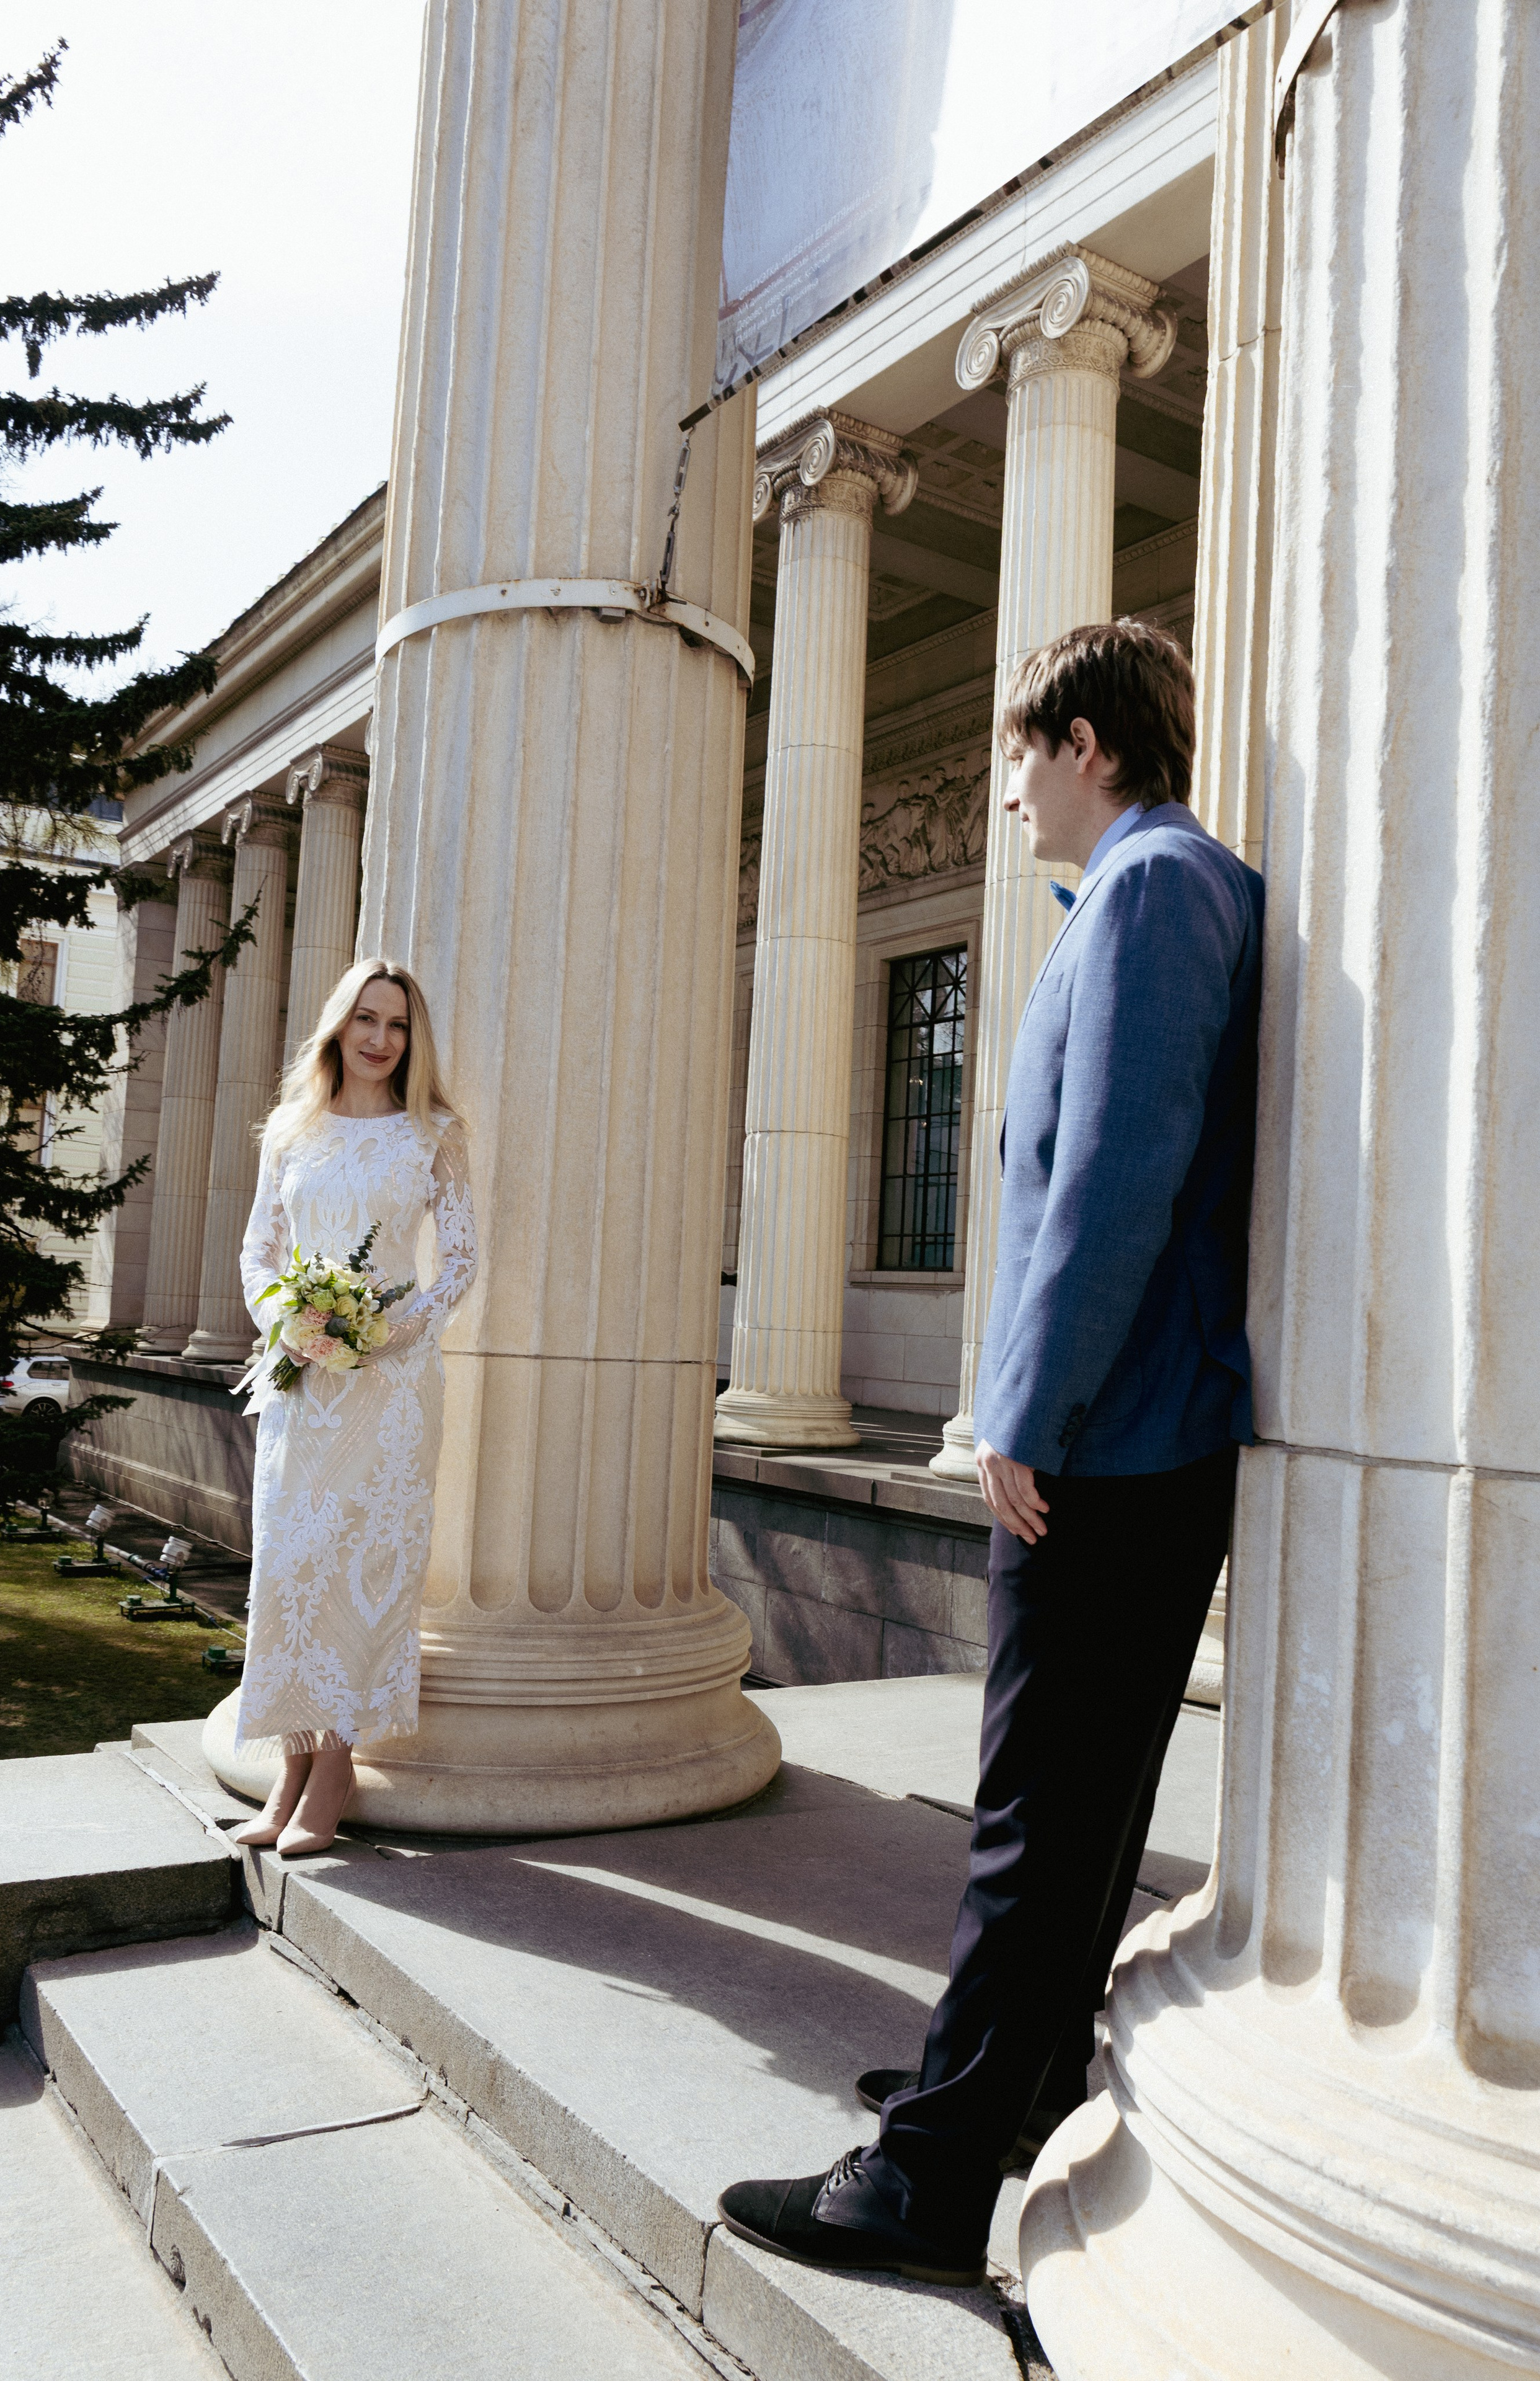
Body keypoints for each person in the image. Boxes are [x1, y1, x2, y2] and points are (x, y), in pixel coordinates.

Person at [717, 618, 1264, 2283]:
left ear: (1085, 744)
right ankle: (1009, 2089)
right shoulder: (1162, 887)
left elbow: (1111, 1181)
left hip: (1110, 1440)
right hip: (1143, 1434)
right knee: (1079, 1809)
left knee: (1033, 1816)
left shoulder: (1155, 888)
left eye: (1018, 755)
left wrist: (1026, 1414)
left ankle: (927, 2186)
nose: (1006, 791)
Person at [231, 958, 477, 1856]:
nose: (380, 1039)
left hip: (392, 1390)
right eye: (366, 1019)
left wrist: (388, 1332)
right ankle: (290, 1765)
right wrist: (289, 1323)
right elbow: (260, 1250)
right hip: (303, 1384)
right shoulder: (291, 1130)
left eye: (398, 1024)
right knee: (293, 1567)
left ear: (415, 1039)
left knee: (362, 1565)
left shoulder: (434, 1134)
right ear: (338, 1024)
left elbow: (459, 1261)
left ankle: (334, 1768)